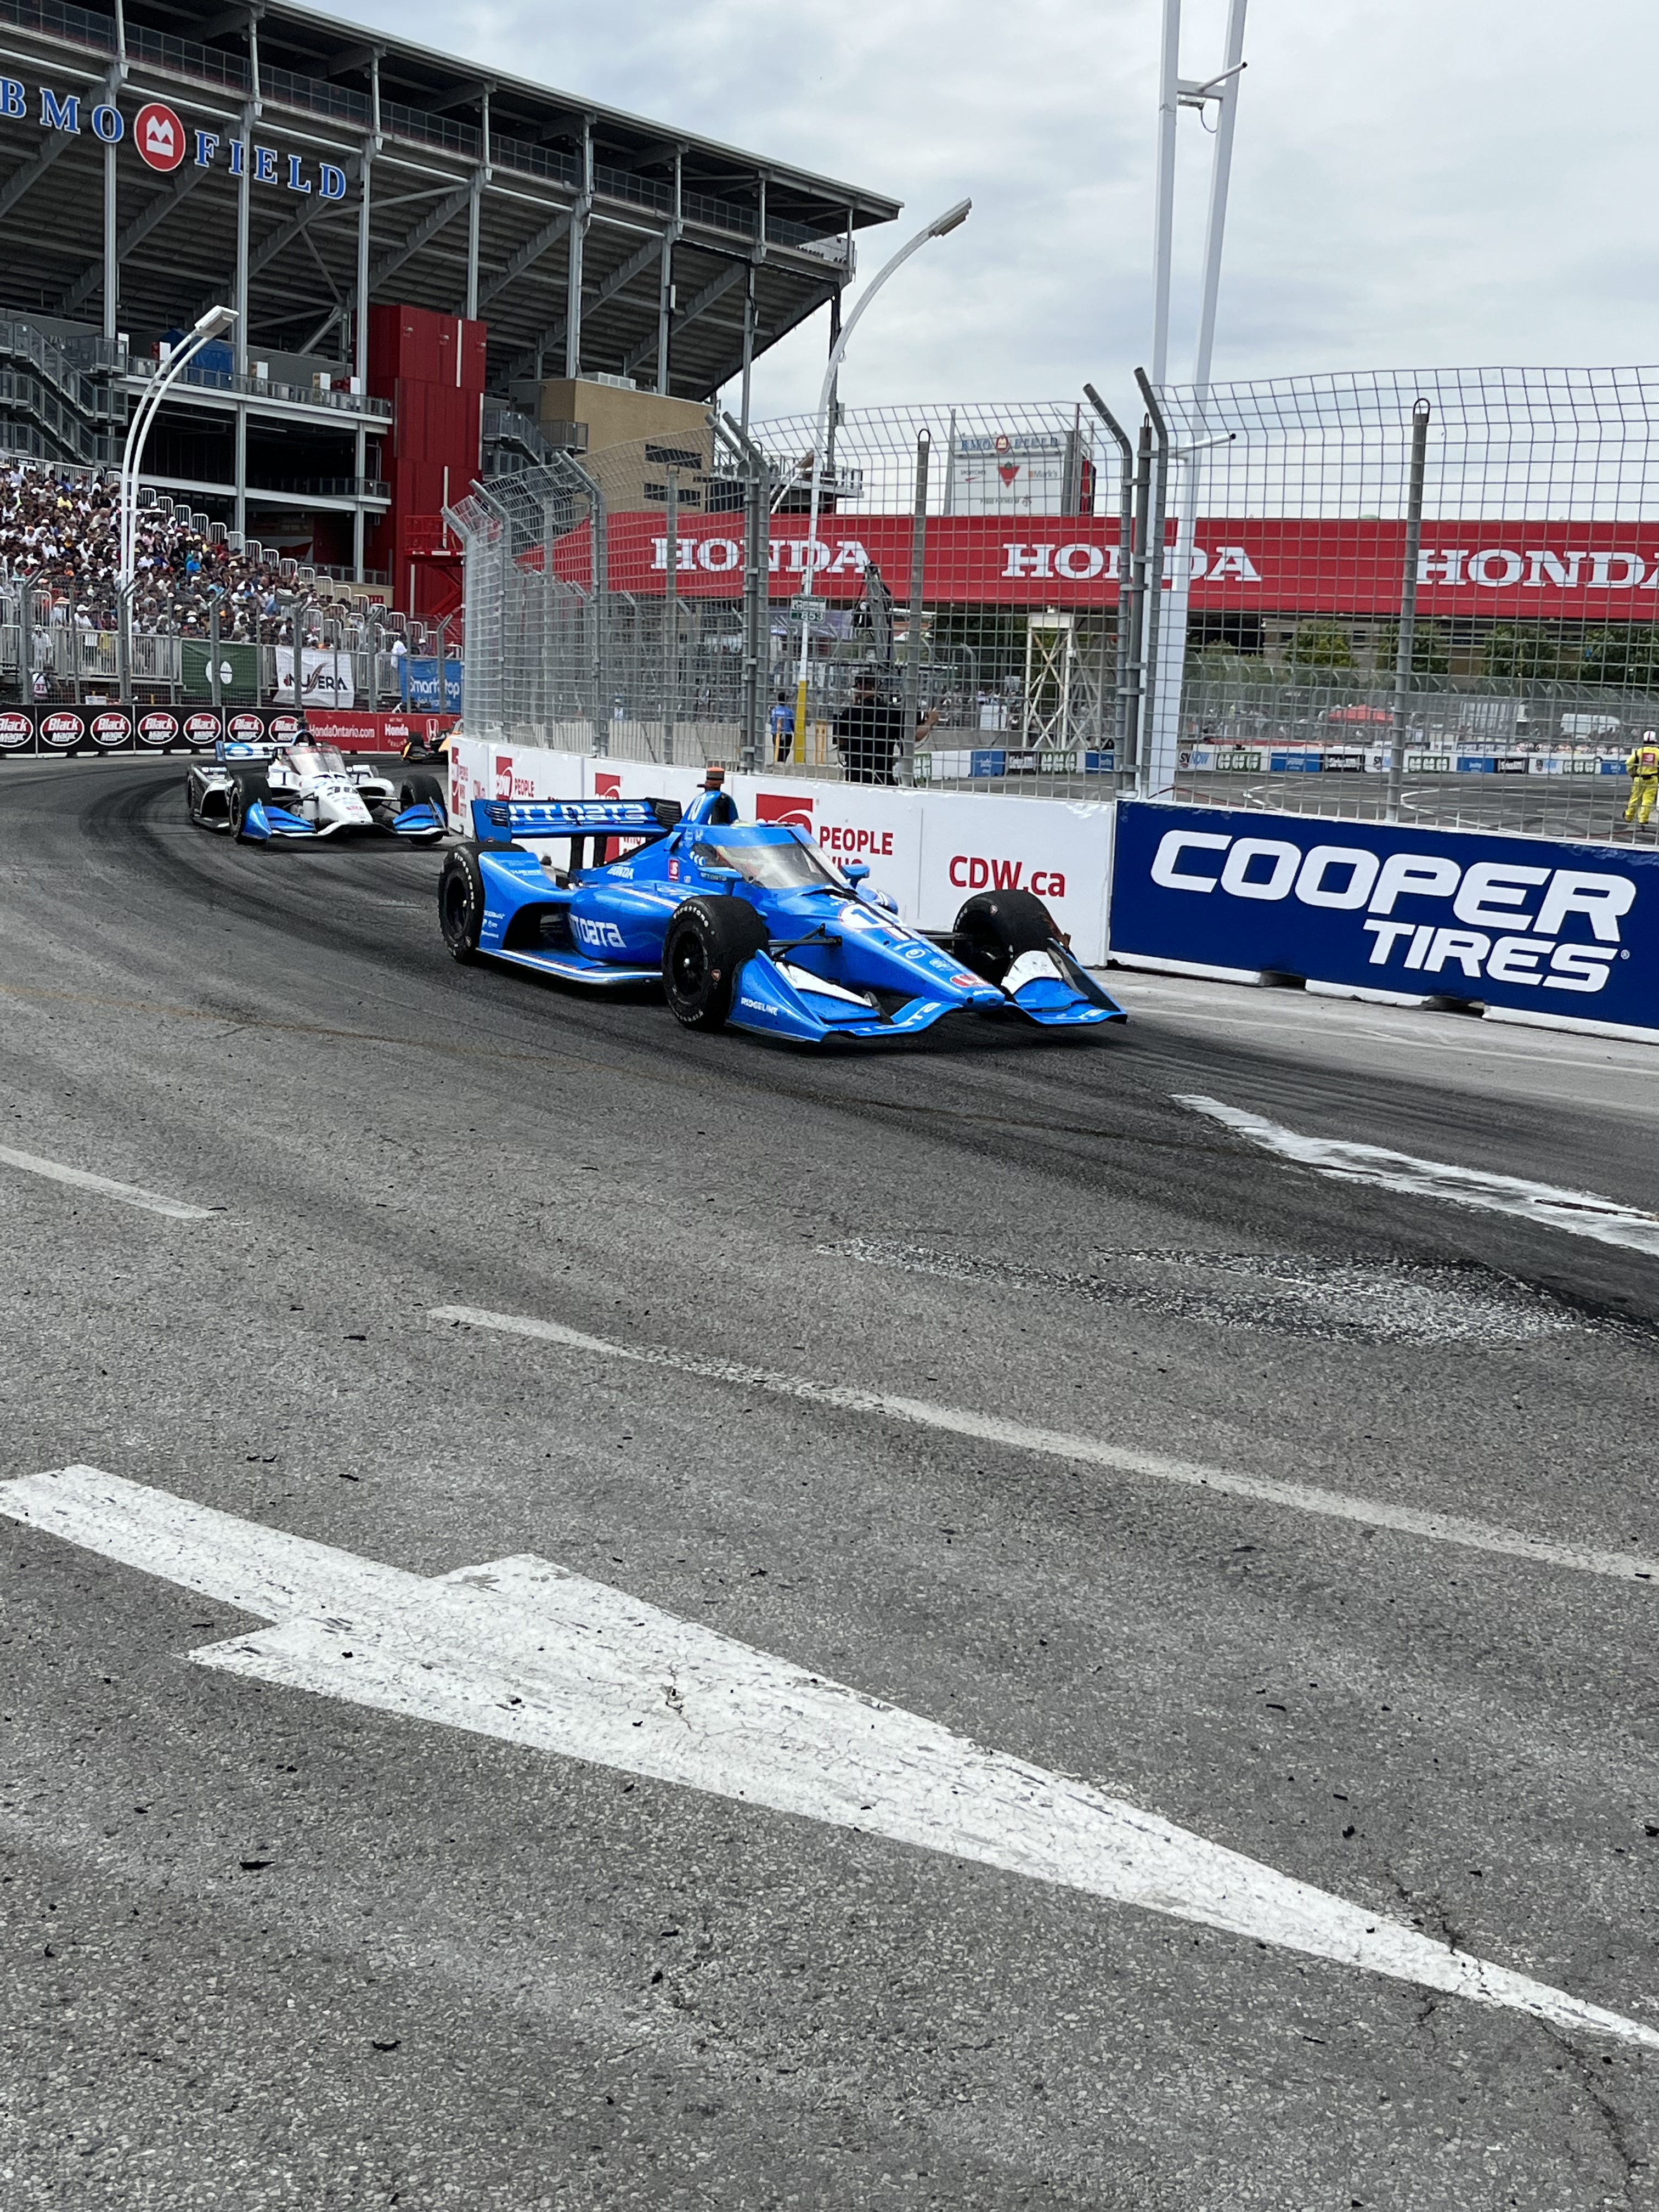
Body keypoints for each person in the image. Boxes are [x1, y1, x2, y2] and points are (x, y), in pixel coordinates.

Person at [832, 671, 942, 786]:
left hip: (855, 776)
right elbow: (916, 736)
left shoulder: (849, 713)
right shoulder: (891, 713)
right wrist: (930, 721)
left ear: (859, 686)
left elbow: (841, 744)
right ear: (877, 687)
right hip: (882, 776)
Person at [1624, 730, 1659, 826]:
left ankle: (1629, 817)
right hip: (1653, 778)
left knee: (1635, 798)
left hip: (1639, 778)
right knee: (1648, 800)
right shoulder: (1658, 752)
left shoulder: (1639, 751)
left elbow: (1629, 763)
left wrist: (1632, 774)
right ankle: (1643, 819)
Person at [769, 692, 794, 761]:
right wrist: (794, 730)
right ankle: (782, 761)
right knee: (786, 750)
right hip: (787, 734)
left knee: (777, 749)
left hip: (776, 734)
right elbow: (793, 724)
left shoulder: (774, 711)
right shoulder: (789, 712)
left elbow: (772, 722)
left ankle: (777, 761)